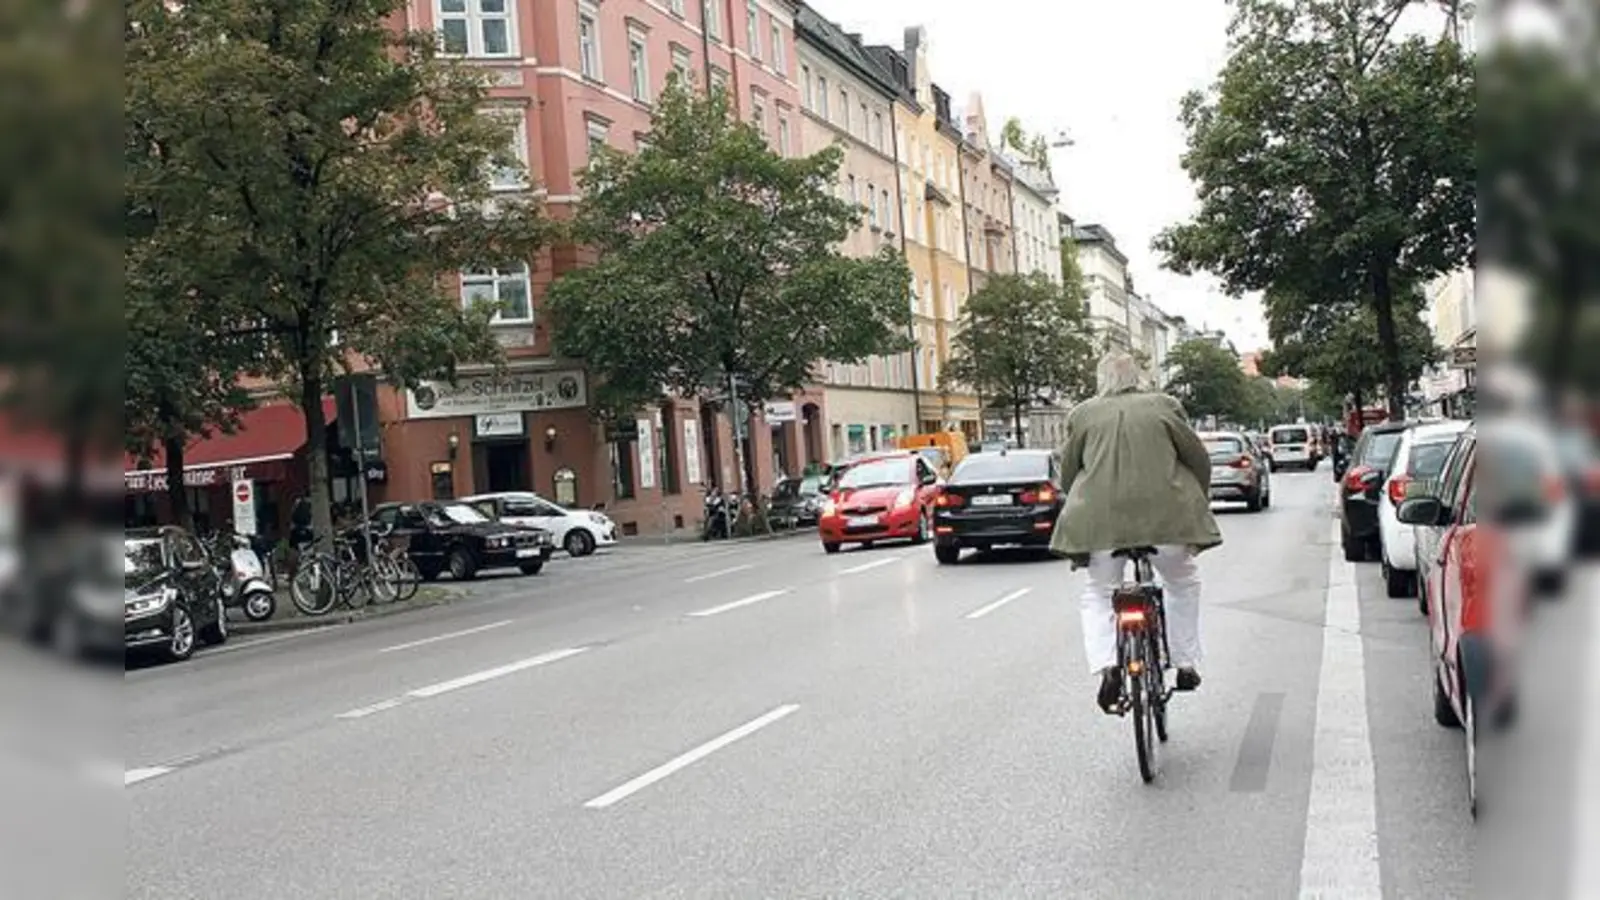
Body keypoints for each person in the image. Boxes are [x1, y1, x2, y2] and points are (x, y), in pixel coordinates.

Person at [1051, 351, 1224, 713]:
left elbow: (1068, 471)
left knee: (1098, 593)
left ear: (1101, 380)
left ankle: (1108, 665)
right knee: (1182, 583)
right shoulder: (1165, 406)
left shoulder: (1082, 414)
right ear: (1138, 377)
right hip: (1167, 520)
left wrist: (1078, 499)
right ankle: (1185, 662)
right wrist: (1198, 499)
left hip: (1100, 525)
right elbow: (1196, 458)